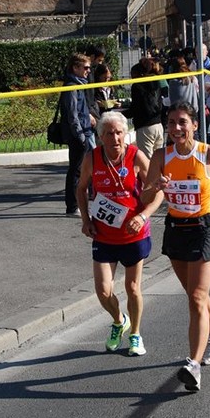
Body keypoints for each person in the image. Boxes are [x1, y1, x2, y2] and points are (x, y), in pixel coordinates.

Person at [141, 101, 210, 392]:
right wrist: (157, 185)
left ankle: (193, 365)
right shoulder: (161, 155)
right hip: (176, 231)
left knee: (197, 297)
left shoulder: (208, 152)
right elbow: (147, 192)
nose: (176, 128)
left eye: (182, 122)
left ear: (194, 125)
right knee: (195, 294)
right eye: (171, 123)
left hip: (204, 229)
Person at [77, 111, 163, 356]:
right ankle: (119, 320)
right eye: (109, 133)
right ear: (101, 136)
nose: (115, 138)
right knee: (103, 291)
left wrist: (142, 216)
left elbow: (158, 192)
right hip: (103, 235)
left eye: (119, 132)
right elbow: (81, 188)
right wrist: (85, 219)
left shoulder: (137, 157)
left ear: (126, 134)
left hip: (133, 233)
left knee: (133, 287)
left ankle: (135, 334)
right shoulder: (92, 158)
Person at [59, 53, 96, 216]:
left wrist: (88, 116)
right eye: (86, 67)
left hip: (84, 131)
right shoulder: (72, 86)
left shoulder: (79, 84)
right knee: (76, 170)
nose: (88, 71)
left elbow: (80, 110)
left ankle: (81, 202)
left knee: (83, 169)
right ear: (75, 68)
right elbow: (72, 114)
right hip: (78, 135)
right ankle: (73, 206)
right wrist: (81, 137)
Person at [124, 58, 164, 159]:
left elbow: (135, 108)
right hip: (158, 124)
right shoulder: (155, 82)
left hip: (145, 126)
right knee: (159, 158)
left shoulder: (137, 86)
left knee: (146, 160)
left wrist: (120, 114)